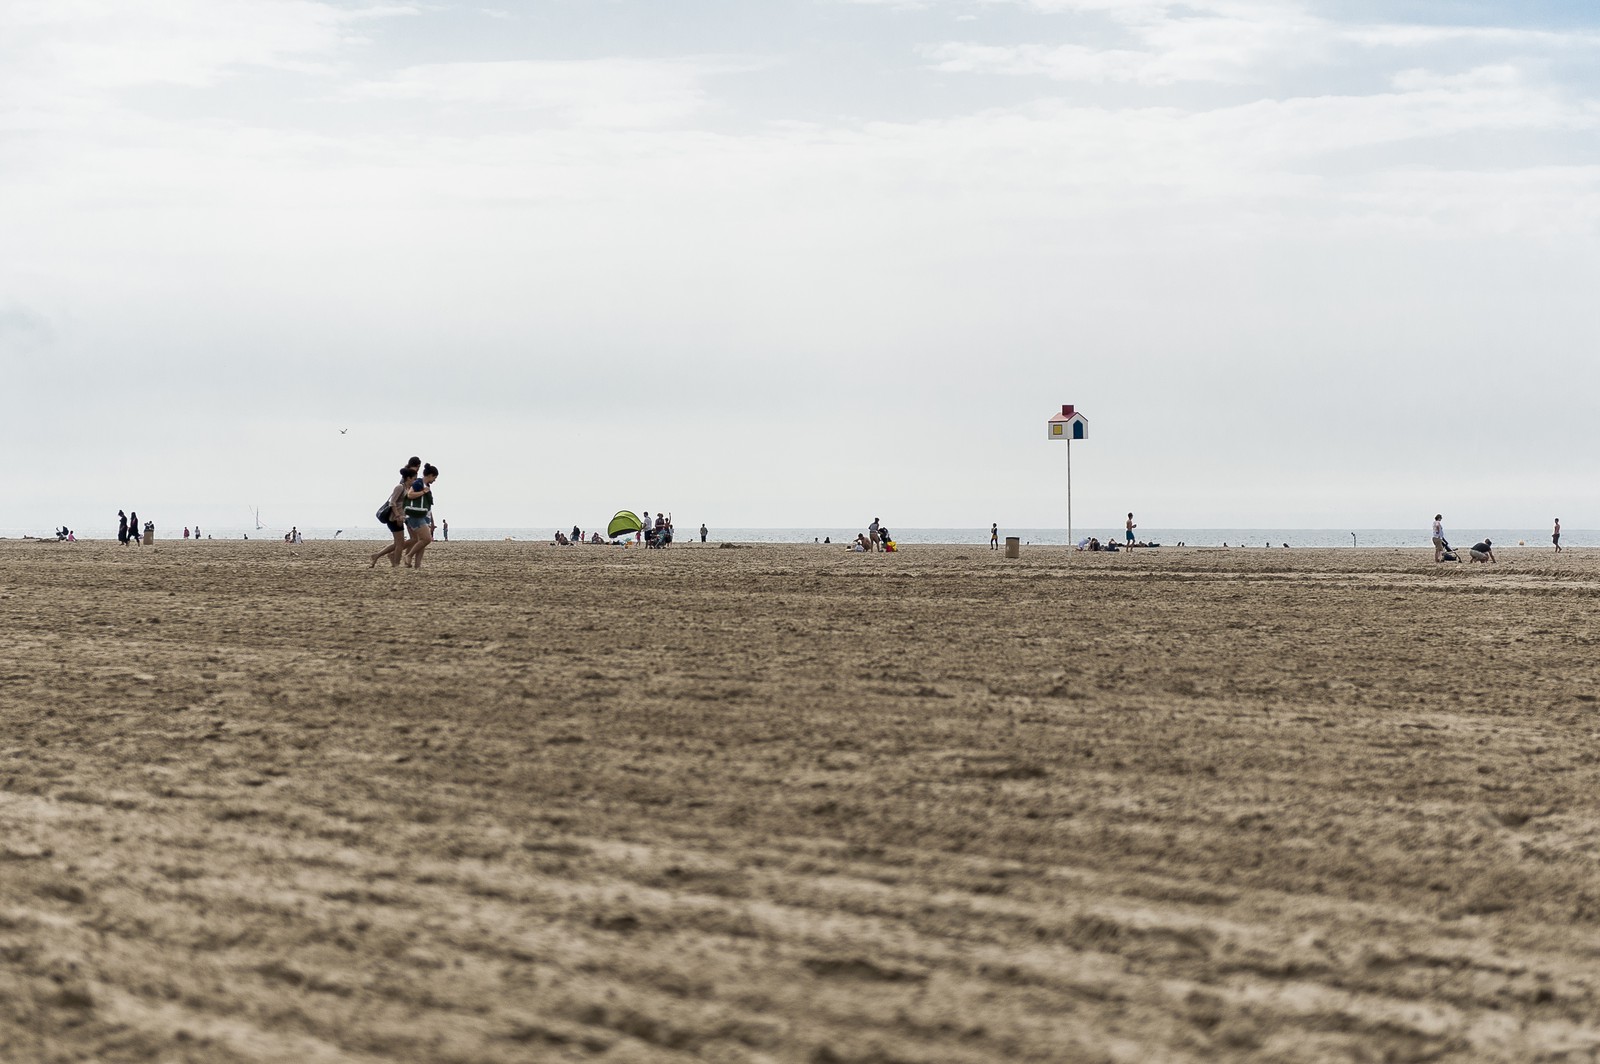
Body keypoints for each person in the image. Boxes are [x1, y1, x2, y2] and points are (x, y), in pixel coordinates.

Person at [370, 462, 419, 569]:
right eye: (414, 479)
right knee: (400, 543)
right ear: (408, 478)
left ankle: (377, 556)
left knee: (399, 543)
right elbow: (392, 503)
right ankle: (396, 564)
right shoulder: (400, 487)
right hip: (393, 518)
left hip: (401, 518)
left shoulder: (407, 489)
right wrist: (398, 516)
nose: (415, 481)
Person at [402, 464, 439, 568]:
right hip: (416, 515)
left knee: (422, 542)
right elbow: (410, 494)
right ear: (431, 475)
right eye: (435, 478)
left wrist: (431, 521)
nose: (434, 480)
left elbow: (427, 505)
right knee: (427, 539)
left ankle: (417, 565)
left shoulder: (426, 485)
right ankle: (408, 556)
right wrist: (423, 492)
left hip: (423, 515)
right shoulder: (419, 483)